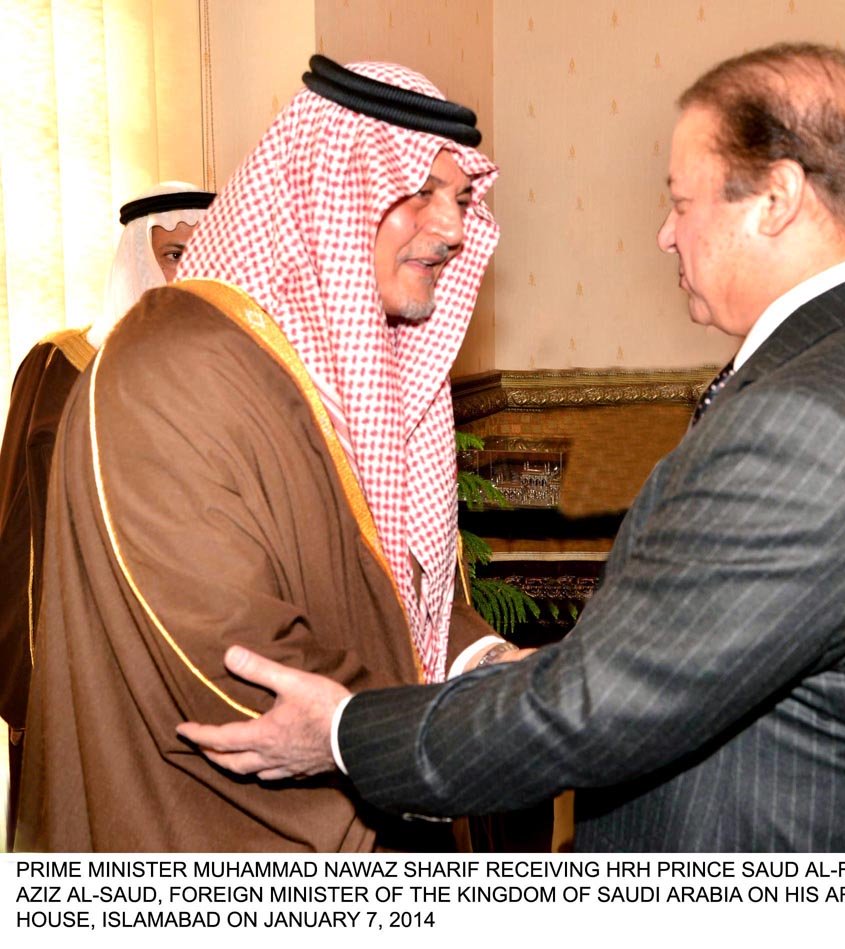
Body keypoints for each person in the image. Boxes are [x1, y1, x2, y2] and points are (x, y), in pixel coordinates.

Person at [178, 43, 845, 852]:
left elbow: (591, 714)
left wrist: (340, 733)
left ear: (777, 198)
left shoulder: (810, 421)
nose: (665, 234)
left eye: (682, 202)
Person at [16, 59, 515, 852]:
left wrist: (487, 659)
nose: (453, 229)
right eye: (418, 190)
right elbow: (239, 673)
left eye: (460, 198)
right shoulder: (170, 369)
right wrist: (468, 726)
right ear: (327, 191)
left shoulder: (348, 363)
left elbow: (398, 595)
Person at [0, 181, 213, 850]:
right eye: (174, 253)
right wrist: (29, 684)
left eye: (204, 252)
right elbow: (20, 533)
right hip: (84, 667)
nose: (191, 271)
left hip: (197, 670)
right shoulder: (58, 367)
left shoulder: (240, 373)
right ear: (137, 259)